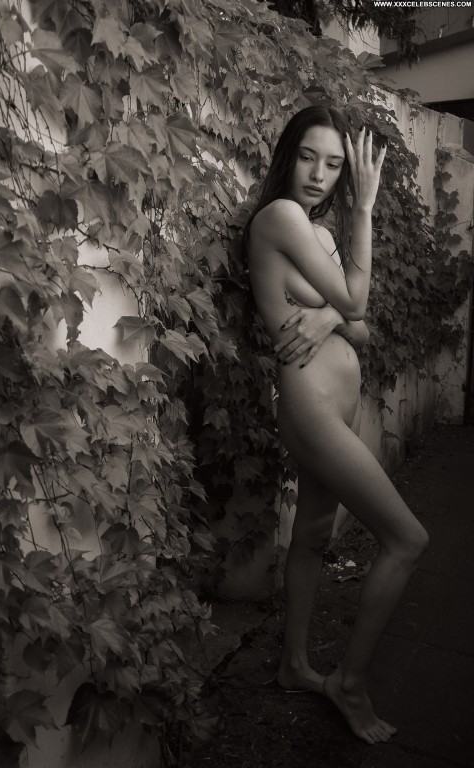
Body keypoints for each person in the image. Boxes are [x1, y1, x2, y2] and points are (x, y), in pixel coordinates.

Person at [243, 106, 429, 745]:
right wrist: (365, 210)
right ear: (287, 156)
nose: (319, 174)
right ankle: (350, 682)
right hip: (310, 406)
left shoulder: (316, 233)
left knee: (314, 537)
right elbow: (355, 298)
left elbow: (361, 326)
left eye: (332, 164)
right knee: (407, 539)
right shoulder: (281, 217)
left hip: (332, 401)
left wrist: (328, 318)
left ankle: (295, 666)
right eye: (307, 157)